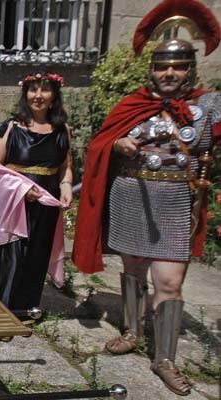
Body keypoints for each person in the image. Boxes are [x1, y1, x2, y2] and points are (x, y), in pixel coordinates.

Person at [72, 0, 221, 395]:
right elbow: (100, 143)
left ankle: (165, 359)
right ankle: (132, 331)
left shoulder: (209, 108)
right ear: (152, 69)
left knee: (169, 283)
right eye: (162, 66)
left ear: (191, 68)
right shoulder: (132, 105)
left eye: (178, 65)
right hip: (132, 197)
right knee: (133, 269)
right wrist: (116, 144)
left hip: (174, 204)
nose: (169, 73)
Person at [0, 72, 72, 311]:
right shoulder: (11, 127)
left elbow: (65, 167)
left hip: (47, 202)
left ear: (54, 96)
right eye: (33, 90)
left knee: (38, 253)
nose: (38, 95)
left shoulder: (62, 129)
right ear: (26, 94)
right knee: (11, 254)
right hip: (15, 203)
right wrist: (22, 190)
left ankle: (26, 307)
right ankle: (1, 308)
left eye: (44, 90)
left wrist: (65, 187)